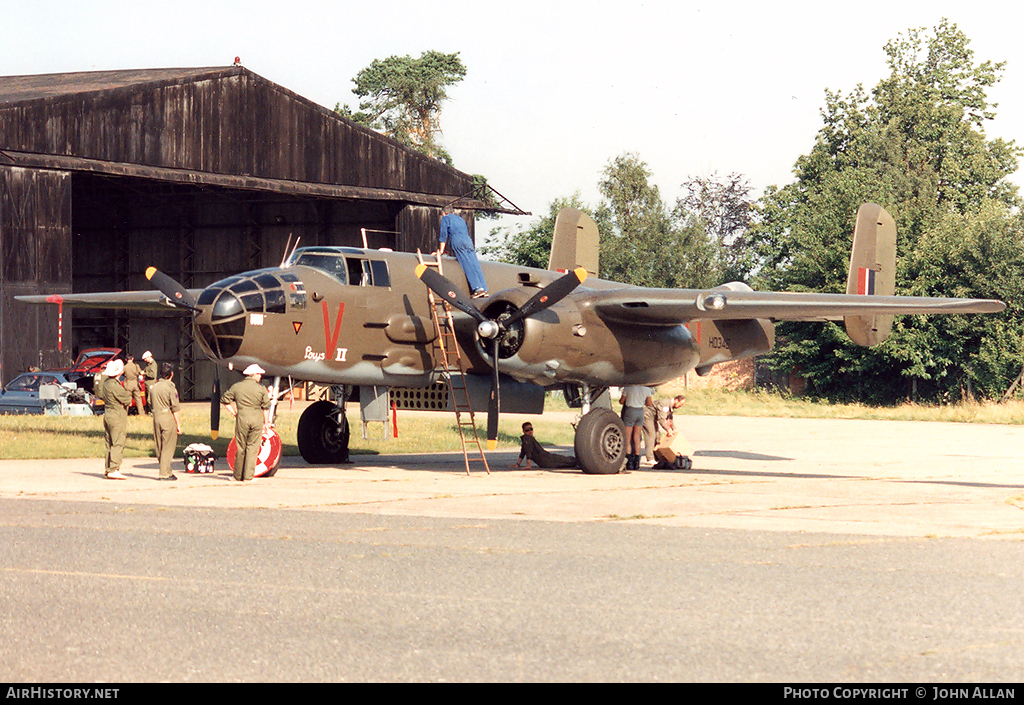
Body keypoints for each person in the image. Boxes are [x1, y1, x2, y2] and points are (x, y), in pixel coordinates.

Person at [221, 364, 271, 482]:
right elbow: (266, 408)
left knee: (241, 447)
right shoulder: (261, 389)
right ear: (253, 374)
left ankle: (237, 476)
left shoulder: (237, 387)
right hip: (257, 420)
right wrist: (266, 423)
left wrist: (234, 412)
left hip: (242, 419)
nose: (260, 376)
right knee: (252, 447)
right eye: (258, 374)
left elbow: (224, 400)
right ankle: (248, 476)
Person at [437, 206, 488, 298]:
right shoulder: (460, 219)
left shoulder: (445, 219)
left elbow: (443, 235)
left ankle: (477, 288)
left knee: (466, 263)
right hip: (468, 240)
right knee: (474, 263)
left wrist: (441, 251)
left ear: (444, 213)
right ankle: (484, 288)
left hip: (457, 240)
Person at [149, 362, 182, 481]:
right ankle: (163, 473)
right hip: (167, 416)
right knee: (168, 445)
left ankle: (167, 470)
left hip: (156, 416)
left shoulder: (154, 387)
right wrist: (178, 424)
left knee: (159, 446)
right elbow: (175, 408)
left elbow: (149, 402)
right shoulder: (170, 388)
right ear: (171, 374)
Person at [99, 358, 131, 480]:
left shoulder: (106, 383)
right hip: (116, 415)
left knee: (109, 443)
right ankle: (114, 469)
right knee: (118, 442)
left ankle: (108, 469)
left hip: (107, 413)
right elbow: (127, 399)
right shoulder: (115, 386)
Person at [512, 422, 577, 469]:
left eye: (531, 429)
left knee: (565, 461)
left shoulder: (526, 439)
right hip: (547, 460)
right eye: (527, 430)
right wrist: (528, 465)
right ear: (523, 431)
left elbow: (523, 452)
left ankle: (579, 463)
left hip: (546, 459)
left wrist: (518, 464)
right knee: (567, 461)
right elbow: (528, 452)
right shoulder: (527, 438)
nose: (530, 431)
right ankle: (581, 463)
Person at [619, 385, 653, 471]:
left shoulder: (628, 387)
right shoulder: (647, 389)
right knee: (637, 437)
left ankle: (629, 461)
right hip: (640, 411)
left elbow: (621, 401)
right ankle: (637, 461)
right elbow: (649, 403)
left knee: (628, 437)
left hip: (630, 410)